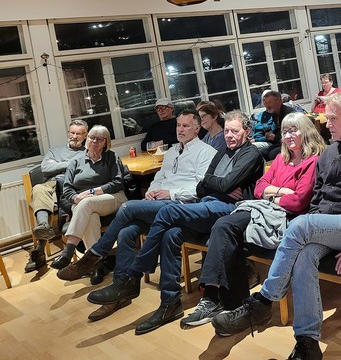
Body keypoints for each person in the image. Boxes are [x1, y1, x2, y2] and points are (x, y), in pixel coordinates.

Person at [208, 92, 341, 360]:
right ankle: (307, 343)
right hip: (324, 225)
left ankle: (262, 302)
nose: (327, 124)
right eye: (327, 118)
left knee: (298, 225)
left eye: (333, 119)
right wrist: (314, 226)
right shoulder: (328, 153)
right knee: (304, 255)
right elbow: (317, 199)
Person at [79, 111, 264, 334]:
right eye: (226, 131)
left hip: (229, 209)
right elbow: (204, 185)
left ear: (247, 131)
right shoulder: (222, 150)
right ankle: (170, 303)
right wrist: (216, 183)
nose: (229, 135)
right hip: (207, 202)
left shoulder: (251, 154)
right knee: (170, 234)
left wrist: (215, 183)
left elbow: (221, 184)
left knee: (166, 211)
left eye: (235, 131)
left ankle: (133, 274)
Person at [55, 110, 216, 321]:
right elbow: (159, 177)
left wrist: (170, 193)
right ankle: (121, 291)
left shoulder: (206, 152)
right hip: (160, 204)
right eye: (178, 125)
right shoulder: (171, 152)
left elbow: (201, 187)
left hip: (183, 206)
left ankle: (95, 255)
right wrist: (152, 191)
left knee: (128, 208)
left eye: (186, 126)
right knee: (127, 232)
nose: (181, 129)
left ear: (197, 129)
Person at [180, 112, 325, 328]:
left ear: (307, 132)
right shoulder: (281, 158)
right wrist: (281, 192)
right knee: (227, 235)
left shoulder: (312, 161)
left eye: (293, 130)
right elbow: (258, 188)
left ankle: (213, 298)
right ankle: (234, 305)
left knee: (224, 227)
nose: (288, 136)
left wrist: (271, 193)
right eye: (285, 131)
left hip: (286, 218)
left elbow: (298, 202)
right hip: (263, 210)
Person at [50, 125, 127, 270]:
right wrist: (75, 198)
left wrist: (93, 192)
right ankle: (98, 266)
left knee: (86, 204)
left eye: (99, 139)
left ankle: (68, 251)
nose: (94, 141)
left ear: (106, 142)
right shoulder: (76, 161)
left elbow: (118, 183)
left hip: (112, 198)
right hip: (82, 203)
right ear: (87, 139)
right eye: (92, 137)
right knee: (90, 218)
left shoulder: (111, 157)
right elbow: (67, 188)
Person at [25, 119, 88, 273]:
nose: (74, 136)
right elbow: (46, 168)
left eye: (78, 134)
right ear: (68, 133)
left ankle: (39, 250)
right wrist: (71, 163)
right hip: (52, 184)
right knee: (38, 189)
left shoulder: (88, 151)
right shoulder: (55, 151)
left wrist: (58, 164)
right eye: (72, 133)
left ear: (85, 135)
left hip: (74, 185)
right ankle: (43, 226)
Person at [251, 90, 293, 159]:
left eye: (270, 102)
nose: (267, 105)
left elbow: (291, 135)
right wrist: (270, 135)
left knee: (271, 154)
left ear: (279, 101)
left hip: (291, 144)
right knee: (260, 153)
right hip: (280, 142)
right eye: (266, 103)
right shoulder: (274, 114)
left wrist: (274, 137)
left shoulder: (288, 114)